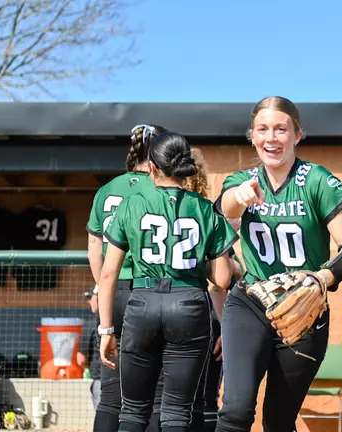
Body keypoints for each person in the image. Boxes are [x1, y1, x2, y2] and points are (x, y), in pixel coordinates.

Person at [213, 96, 342, 432]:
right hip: (250, 302)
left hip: (305, 310)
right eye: (263, 129)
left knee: (278, 421)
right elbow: (226, 207)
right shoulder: (241, 181)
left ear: (297, 135)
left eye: (281, 129)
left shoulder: (317, 181)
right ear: (251, 135)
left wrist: (318, 280)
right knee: (235, 411)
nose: (271, 138)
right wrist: (240, 196)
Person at [98, 131, 238, 432]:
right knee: (177, 412)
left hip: (142, 301)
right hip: (189, 304)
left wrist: (106, 328)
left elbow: (108, 273)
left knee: (133, 411)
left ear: (152, 167)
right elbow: (223, 279)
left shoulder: (133, 203)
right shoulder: (204, 208)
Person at [86, 124, 168, 432]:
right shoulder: (160, 187)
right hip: (151, 289)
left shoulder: (106, 189)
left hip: (114, 291)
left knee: (111, 396)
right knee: (157, 394)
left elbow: (94, 245)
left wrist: (102, 287)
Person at [181, 148, 245, 432]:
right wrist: (225, 326)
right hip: (204, 316)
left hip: (161, 308)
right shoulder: (209, 215)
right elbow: (219, 283)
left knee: (170, 401)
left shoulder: (158, 210)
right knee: (206, 398)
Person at [78, 286, 101, 410]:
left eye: (90, 297)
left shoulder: (91, 324)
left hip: (100, 378)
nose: (89, 301)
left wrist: (88, 367)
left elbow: (81, 359)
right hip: (123, 378)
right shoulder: (122, 320)